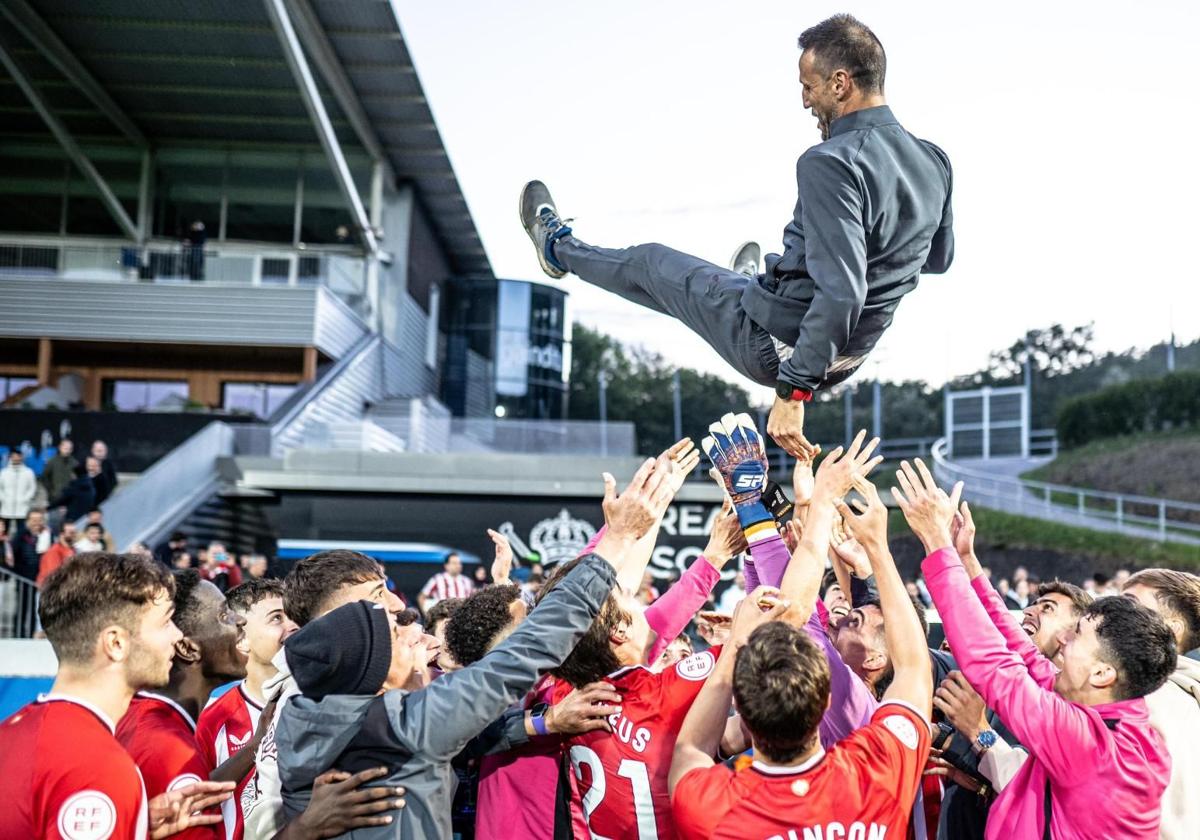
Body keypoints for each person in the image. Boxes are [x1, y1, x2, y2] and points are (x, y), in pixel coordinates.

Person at [519, 14, 953, 458]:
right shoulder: (933, 162)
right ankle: (753, 286)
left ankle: (556, 247)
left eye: (809, 86)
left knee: (649, 264)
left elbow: (842, 293)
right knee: (763, 275)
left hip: (779, 348)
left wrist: (792, 392)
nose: (805, 101)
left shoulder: (829, 161)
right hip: (849, 357)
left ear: (840, 83)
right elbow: (937, 259)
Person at [272, 456, 680, 840]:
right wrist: (619, 538)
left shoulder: (300, 711)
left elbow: (470, 731)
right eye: (391, 628)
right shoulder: (405, 722)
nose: (407, 619)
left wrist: (543, 723)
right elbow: (528, 648)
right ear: (367, 666)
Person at [900, 459, 1177, 839]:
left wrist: (935, 544)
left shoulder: (1091, 745)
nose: (1063, 639)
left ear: (1102, 673)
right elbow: (1024, 656)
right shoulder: (1116, 716)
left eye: (1077, 634)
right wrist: (968, 563)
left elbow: (995, 667)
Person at [668, 457, 933, 838]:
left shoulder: (713, 807)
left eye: (855, 619)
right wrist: (875, 547)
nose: (841, 616)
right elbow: (913, 668)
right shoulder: (878, 767)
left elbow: (691, 750)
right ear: (822, 698)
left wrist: (758, 516)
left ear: (741, 709)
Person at [0, 552, 234, 839]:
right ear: (116, 643)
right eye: (165, 622)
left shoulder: (13, 730)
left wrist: (135, 828)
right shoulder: (99, 768)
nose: (176, 636)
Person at [241, 547, 409, 838]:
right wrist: (304, 826)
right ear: (338, 618)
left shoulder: (347, 681)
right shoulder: (302, 701)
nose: (396, 604)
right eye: (377, 594)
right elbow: (263, 822)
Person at [116, 568, 249, 839]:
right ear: (187, 648)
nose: (239, 620)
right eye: (223, 615)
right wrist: (305, 828)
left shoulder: (139, 717)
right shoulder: (169, 748)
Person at [196, 579, 299, 840]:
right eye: (277, 618)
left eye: (294, 615)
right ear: (242, 639)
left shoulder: (318, 699)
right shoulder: (215, 717)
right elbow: (196, 797)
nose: (293, 626)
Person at [1122, 569, 1200, 840]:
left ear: (1172, 628)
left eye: (1130, 605)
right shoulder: (1185, 696)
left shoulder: (1148, 698)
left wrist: (983, 735)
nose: (1113, 612)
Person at [1, 449, 37, 534]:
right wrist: (3, 498)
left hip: (22, 508)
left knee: (22, 532)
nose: (16, 458)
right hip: (6, 507)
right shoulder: (4, 472)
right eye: (13, 456)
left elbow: (32, 488)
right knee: (3, 531)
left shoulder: (28, 472)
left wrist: (26, 499)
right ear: (10, 457)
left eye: (18, 456)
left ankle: (20, 547)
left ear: (22, 457)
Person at [52, 459, 98, 524]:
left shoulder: (75, 487)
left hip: (73, 518)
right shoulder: (91, 486)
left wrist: (48, 508)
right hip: (85, 517)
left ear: (75, 475)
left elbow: (62, 500)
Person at [37, 522, 77, 588]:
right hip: (51, 589)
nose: (74, 535)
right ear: (62, 534)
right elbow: (54, 572)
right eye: (71, 533)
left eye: (75, 532)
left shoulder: (72, 550)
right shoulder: (54, 551)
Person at [40, 439, 78, 506]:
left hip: (71, 499)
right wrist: (51, 492)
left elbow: (80, 480)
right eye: (65, 448)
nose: (67, 450)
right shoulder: (52, 461)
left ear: (72, 450)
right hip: (55, 499)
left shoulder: (75, 463)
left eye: (69, 448)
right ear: (60, 447)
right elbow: (44, 477)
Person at [90, 440, 119, 506]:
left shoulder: (109, 465)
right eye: (98, 451)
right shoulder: (86, 464)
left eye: (102, 451)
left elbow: (114, 481)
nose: (100, 453)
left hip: (105, 501)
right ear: (92, 451)